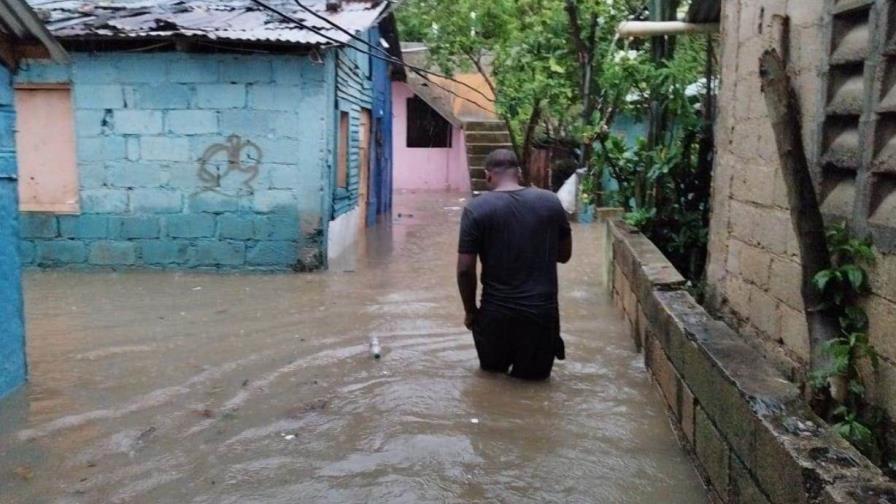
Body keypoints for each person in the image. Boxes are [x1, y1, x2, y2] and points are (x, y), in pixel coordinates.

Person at [456, 149, 572, 380]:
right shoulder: (550, 202)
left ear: (487, 175)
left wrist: (470, 312)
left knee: (491, 386)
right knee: (535, 388)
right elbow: (564, 255)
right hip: (541, 315)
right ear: (519, 172)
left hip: (495, 316)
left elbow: (465, 270)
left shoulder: (476, 209)